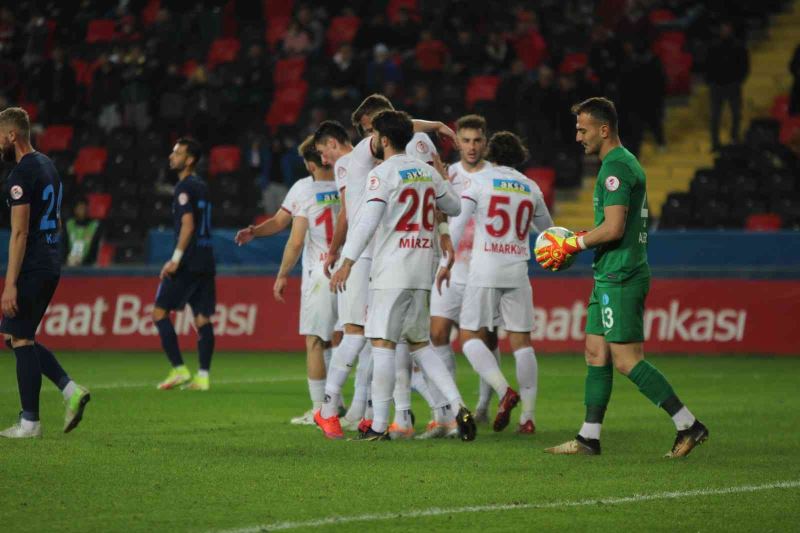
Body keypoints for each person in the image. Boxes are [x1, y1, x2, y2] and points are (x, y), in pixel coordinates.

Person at [537, 97, 708, 457]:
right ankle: (588, 437)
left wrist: (573, 244)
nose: (578, 137)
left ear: (604, 129)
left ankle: (688, 424)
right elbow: (614, 226)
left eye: (583, 130)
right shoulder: (618, 164)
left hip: (621, 274)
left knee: (628, 359)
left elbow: (613, 229)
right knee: (595, 352)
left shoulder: (616, 167)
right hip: (608, 273)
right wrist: (585, 237)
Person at [328, 110, 475, 441]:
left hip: (392, 268)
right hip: (423, 267)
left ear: (383, 139)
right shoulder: (426, 172)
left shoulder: (382, 174)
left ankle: (379, 425)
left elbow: (367, 220)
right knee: (419, 344)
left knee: (382, 343)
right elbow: (453, 206)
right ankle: (457, 405)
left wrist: (348, 261)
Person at [439, 131, 553, 435]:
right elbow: (549, 232)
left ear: (492, 154)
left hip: (485, 269)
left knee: (470, 338)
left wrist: (445, 262)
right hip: (517, 269)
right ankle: (527, 417)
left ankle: (504, 391)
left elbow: (458, 224)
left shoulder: (480, 182)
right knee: (522, 344)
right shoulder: (532, 188)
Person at [0, 107, 90, 438]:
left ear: (11, 135)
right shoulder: (48, 166)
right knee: (16, 337)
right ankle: (70, 391)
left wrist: (10, 283)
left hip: (34, 262)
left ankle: (30, 422)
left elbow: (20, 233)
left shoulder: (21, 174)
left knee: (20, 338)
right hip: (51, 259)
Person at [422, 114, 501, 439]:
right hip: (449, 268)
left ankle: (483, 405)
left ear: (485, 142)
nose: (471, 146)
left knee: (483, 339)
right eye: (465, 140)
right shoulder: (447, 175)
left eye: (476, 140)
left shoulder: (498, 176)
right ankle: (453, 410)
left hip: (483, 269)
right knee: (438, 334)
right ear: (457, 143)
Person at [271, 136, 341, 425]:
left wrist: (282, 274)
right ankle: (340, 406)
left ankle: (318, 411)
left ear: (311, 165)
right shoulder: (348, 183)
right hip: (350, 270)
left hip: (320, 274)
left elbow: (295, 240)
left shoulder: (304, 188)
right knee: (339, 341)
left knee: (314, 341)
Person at [152, 138, 216, 392]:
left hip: (188, 261)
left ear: (189, 160)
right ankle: (202, 377)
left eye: (177, 153)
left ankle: (179, 369)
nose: (171, 156)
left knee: (159, 312)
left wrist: (175, 260)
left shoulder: (182, 188)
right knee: (202, 318)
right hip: (206, 259)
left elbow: (188, 225)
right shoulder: (202, 186)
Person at [705, 21, 749, 151]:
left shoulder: (738, 46)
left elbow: (744, 65)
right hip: (717, 86)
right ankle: (715, 142)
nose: (725, 32)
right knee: (715, 116)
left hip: (733, 85)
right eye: (723, 29)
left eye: (727, 29)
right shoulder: (713, 46)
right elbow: (707, 64)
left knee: (736, 113)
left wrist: (739, 79)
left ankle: (734, 139)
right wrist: (711, 80)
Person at [63, 197, 101, 266]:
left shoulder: (95, 226)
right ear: (75, 209)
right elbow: (63, 246)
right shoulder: (68, 225)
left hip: (88, 266)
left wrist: (85, 262)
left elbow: (95, 248)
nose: (82, 210)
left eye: (84, 208)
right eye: (80, 208)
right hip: (70, 264)